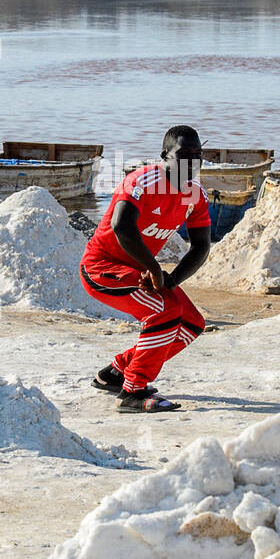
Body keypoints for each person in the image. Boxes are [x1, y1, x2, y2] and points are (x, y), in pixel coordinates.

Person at [79, 126, 213, 413]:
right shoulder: (142, 181)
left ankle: (116, 373)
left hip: (139, 271)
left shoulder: (194, 195)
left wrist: (171, 280)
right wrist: (154, 269)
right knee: (164, 311)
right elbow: (122, 226)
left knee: (191, 324)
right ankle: (133, 392)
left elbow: (200, 247)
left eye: (198, 155)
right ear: (165, 156)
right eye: (183, 155)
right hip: (102, 268)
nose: (192, 162)